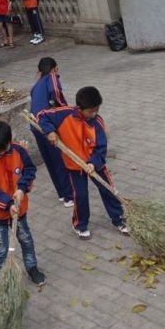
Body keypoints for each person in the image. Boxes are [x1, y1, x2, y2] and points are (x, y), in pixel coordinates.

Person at [38, 86, 128, 240]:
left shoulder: (97, 122)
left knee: (108, 190)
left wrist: (93, 163)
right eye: (90, 111)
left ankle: (119, 219)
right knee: (80, 196)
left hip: (95, 164)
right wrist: (50, 131)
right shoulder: (63, 114)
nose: (93, 114)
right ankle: (80, 225)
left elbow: (101, 148)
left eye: (96, 110)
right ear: (79, 108)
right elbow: (41, 115)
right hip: (74, 165)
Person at [0, 121, 46, 285]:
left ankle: (32, 268)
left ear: (9, 141)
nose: (2, 152)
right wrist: (8, 204)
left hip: (19, 208)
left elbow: (29, 170)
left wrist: (22, 188)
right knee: (2, 249)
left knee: (26, 240)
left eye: (5, 148)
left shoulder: (19, 150)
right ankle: (6, 278)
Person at [30, 57, 73, 207]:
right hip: (47, 125)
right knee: (59, 160)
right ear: (54, 69)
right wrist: (64, 110)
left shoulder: (35, 86)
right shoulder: (52, 77)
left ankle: (61, 194)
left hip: (35, 125)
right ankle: (69, 196)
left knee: (50, 161)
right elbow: (55, 91)